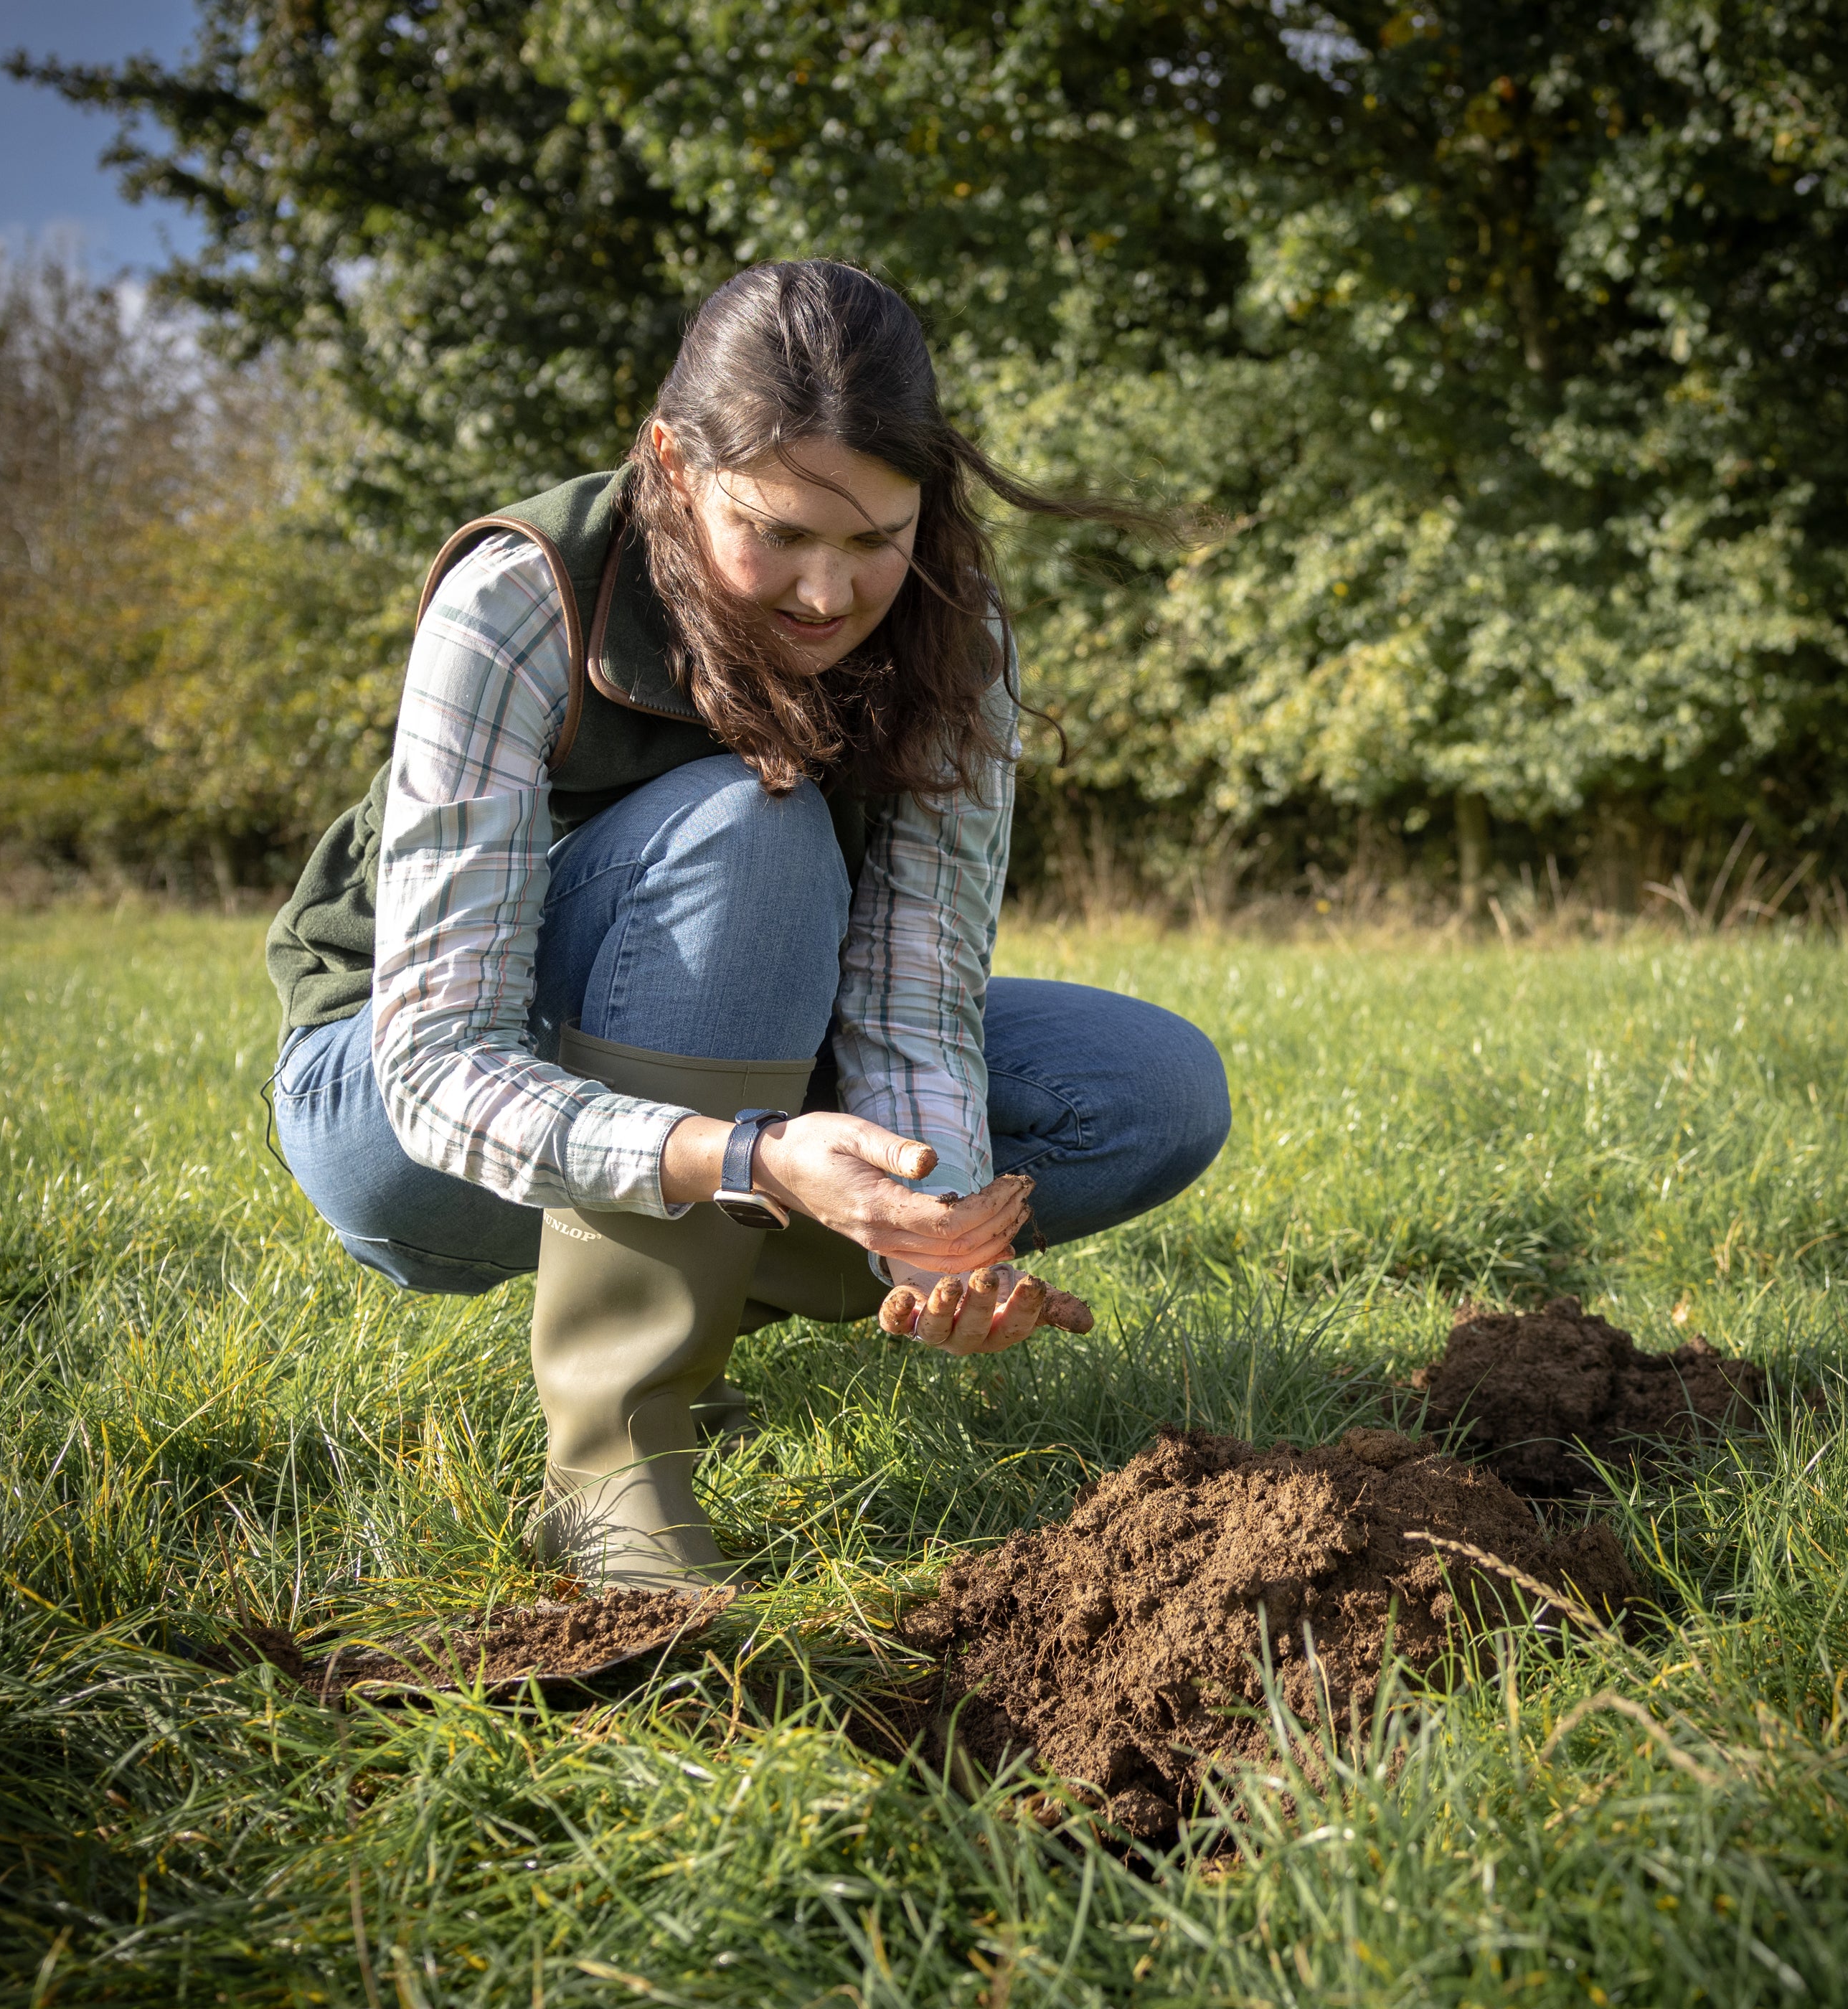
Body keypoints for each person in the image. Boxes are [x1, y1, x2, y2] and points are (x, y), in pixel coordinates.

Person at [265, 260, 1230, 1590]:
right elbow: (434, 1072)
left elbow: (908, 1002)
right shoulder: (516, 603)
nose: (827, 597)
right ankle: (618, 1467)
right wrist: (757, 1164)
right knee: (751, 821)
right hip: (405, 1119)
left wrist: (934, 1229)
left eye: (875, 539)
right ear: (672, 463)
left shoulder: (957, 643)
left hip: (747, 1075)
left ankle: (704, 1276)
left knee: (1147, 1091)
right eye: (778, 531)